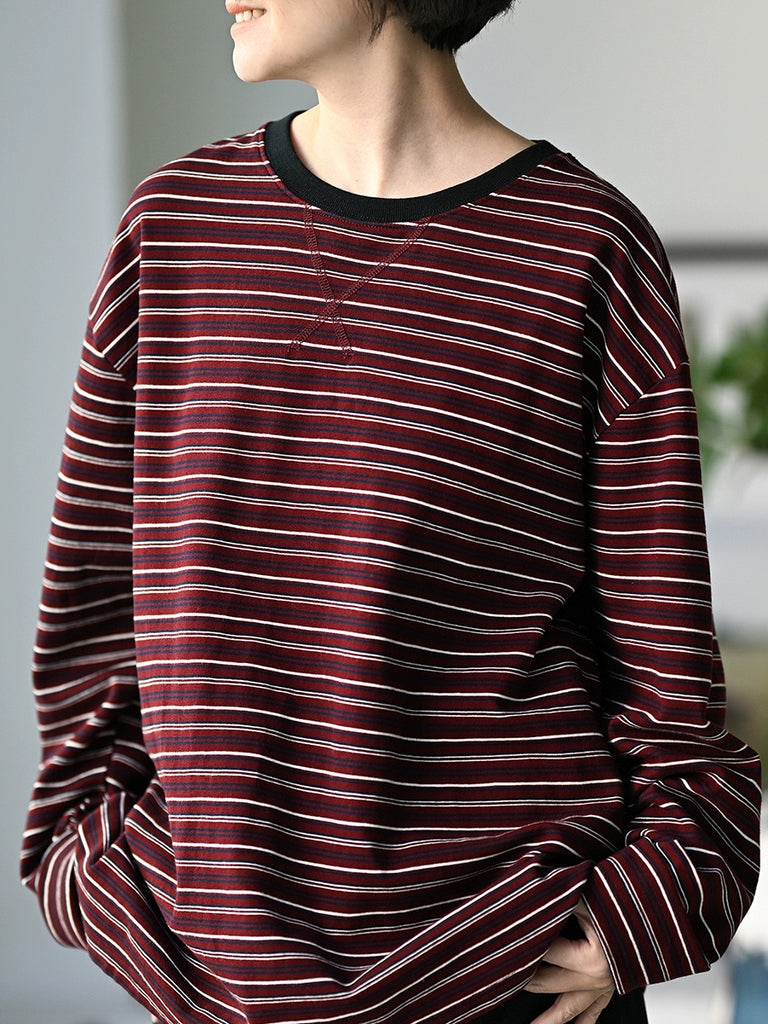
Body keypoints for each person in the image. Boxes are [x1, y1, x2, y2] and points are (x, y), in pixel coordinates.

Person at [21, 3, 761, 1024]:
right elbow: (94, 617)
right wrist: (92, 868)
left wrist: (638, 912)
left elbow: (665, 664)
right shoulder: (177, 227)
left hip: (515, 973)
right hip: (211, 981)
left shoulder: (585, 247)